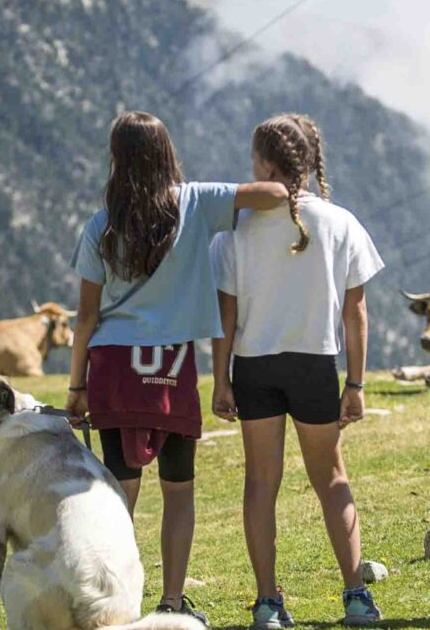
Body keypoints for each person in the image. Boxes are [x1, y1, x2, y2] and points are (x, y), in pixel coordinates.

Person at [66, 111, 289, 625]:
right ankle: (170, 600)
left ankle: (113, 602)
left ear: (117, 160)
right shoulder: (197, 200)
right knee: (178, 489)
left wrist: (77, 386)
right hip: (172, 367)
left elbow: (85, 317)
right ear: (168, 154)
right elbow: (272, 196)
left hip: (116, 367)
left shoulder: (101, 225)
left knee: (119, 495)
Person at [210, 113, 385, 629]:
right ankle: (356, 596)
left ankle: (267, 603)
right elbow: (356, 312)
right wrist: (355, 382)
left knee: (261, 482)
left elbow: (227, 316)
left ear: (263, 163)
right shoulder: (342, 222)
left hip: (254, 365)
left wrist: (220, 379)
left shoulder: (236, 228)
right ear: (309, 163)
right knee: (331, 479)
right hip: (315, 365)